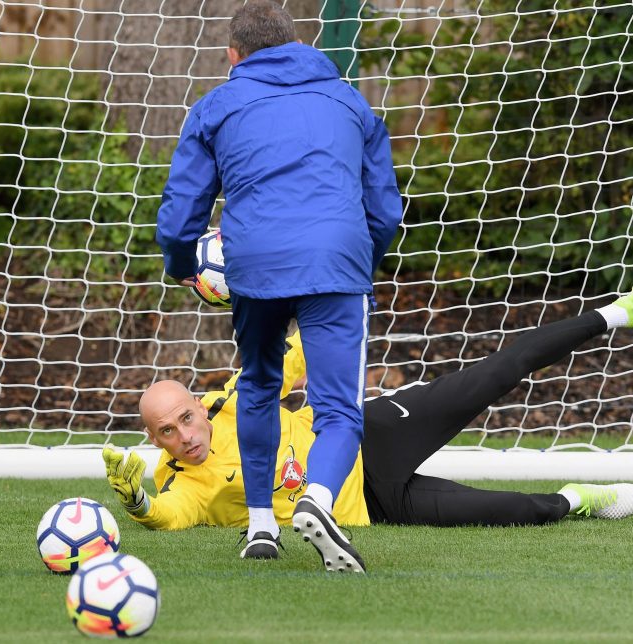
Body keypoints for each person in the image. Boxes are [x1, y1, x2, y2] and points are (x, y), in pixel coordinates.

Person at [104, 284, 633, 572]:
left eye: (185, 417)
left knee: (497, 371)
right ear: (156, 441)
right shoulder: (182, 481)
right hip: (379, 504)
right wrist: (136, 502)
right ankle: (580, 501)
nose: (184, 434)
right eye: (167, 431)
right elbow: (169, 516)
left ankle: (623, 310)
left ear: (198, 407)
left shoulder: (237, 397)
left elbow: (299, 352)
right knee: (511, 510)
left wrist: (320, 302)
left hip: (374, 433)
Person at [154, 0, 402, 570]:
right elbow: (385, 212)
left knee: (260, 386)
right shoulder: (350, 101)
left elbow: (180, 216)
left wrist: (183, 266)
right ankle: (316, 500)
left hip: (256, 264)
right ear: (297, 43)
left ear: (232, 55)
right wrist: (360, 259)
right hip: (336, 261)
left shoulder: (216, 105)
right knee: (338, 409)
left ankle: (262, 526)